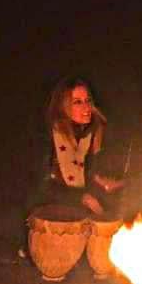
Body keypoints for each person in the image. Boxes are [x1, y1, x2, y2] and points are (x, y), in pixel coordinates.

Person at [29, 77, 122, 216]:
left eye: (87, 101)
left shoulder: (96, 133)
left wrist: (106, 184)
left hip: (86, 215)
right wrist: (80, 198)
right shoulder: (47, 136)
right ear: (63, 106)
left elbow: (94, 177)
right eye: (77, 102)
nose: (86, 107)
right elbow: (41, 186)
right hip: (54, 213)